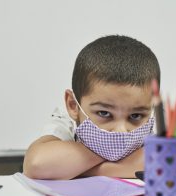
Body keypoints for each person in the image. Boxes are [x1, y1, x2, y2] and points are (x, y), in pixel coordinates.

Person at [23, 35, 160, 180]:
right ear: (73, 105)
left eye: (135, 116)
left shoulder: (157, 119)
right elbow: (37, 164)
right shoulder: (66, 121)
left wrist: (77, 169)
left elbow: (169, 161)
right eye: (104, 113)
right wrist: (122, 164)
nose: (121, 131)